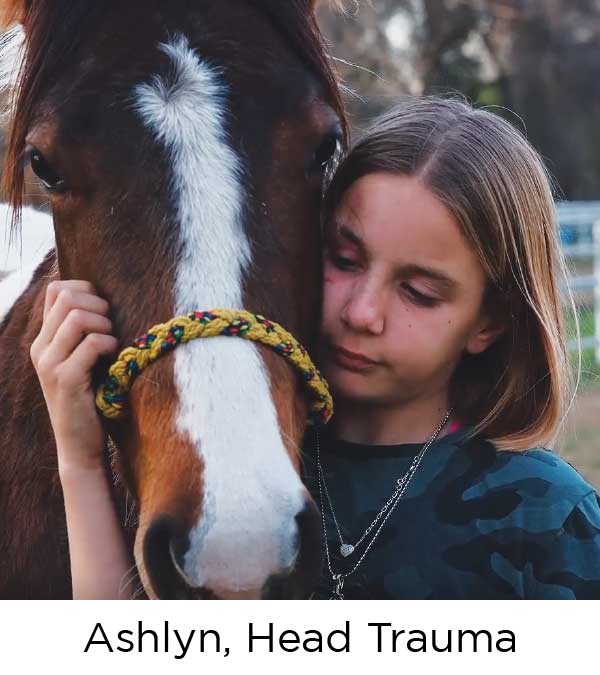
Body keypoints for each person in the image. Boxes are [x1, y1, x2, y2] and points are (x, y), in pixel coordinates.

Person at [30, 96, 600, 600]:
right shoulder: (237, 470)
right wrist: (79, 461)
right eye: (344, 260)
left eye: (419, 293)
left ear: (489, 323)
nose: (361, 312)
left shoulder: (549, 520)